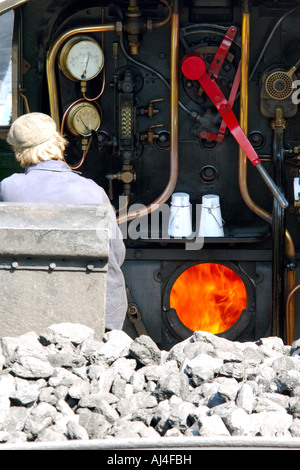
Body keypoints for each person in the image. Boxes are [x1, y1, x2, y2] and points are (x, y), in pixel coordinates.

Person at [0, 112, 127, 331]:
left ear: (19, 152)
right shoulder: (93, 191)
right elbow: (117, 255)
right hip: (94, 316)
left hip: (24, 315)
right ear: (59, 143)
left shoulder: (8, 189)